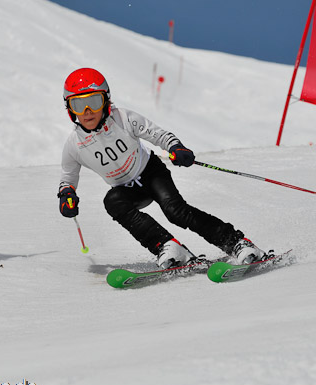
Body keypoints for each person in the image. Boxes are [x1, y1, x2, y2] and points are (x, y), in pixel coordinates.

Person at [57, 67, 266, 267]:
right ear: (69, 109)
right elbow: (68, 176)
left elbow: (157, 134)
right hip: (126, 190)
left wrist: (176, 147)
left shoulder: (123, 118)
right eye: (78, 105)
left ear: (106, 101)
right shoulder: (74, 144)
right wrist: (67, 195)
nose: (87, 112)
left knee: (176, 212)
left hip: (151, 173)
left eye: (94, 101)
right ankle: (167, 247)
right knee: (112, 201)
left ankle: (237, 243)